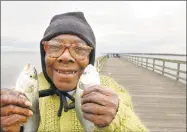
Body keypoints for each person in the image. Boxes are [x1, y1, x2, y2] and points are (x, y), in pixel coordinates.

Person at [0, 12, 148, 132]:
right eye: (55, 47)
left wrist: (117, 119)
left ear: (90, 57)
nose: (65, 57)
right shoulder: (24, 92)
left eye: (80, 49)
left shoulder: (113, 91)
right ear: (43, 53)